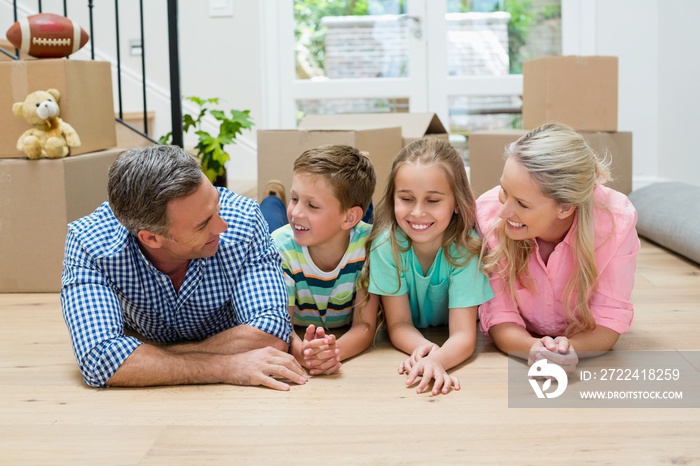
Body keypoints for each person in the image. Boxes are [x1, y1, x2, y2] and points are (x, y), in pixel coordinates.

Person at [60, 145, 307, 390]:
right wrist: (227, 367)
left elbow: (272, 332)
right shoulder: (89, 244)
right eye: (202, 225)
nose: (222, 226)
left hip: (267, 224)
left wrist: (149, 357)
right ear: (151, 238)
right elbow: (100, 360)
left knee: (274, 217)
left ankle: (273, 197)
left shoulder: (243, 218)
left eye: (216, 205)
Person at [477, 122, 640, 373]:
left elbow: (608, 317)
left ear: (565, 207)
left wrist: (571, 350)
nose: (503, 211)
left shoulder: (616, 221)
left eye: (522, 203)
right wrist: (533, 350)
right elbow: (500, 314)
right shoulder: (488, 214)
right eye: (504, 190)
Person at [365, 138, 494, 395]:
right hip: (421, 336)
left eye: (433, 200)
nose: (418, 212)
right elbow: (399, 324)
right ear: (392, 199)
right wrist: (427, 350)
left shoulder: (467, 248)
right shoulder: (385, 246)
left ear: (457, 203)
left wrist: (437, 361)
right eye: (406, 199)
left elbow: (463, 335)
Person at [271, 145, 380, 375]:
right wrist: (302, 352)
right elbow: (282, 327)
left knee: (370, 217)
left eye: (312, 205)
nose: (297, 211)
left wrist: (333, 352)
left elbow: (365, 326)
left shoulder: (371, 248)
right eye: (294, 198)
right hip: (291, 235)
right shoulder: (280, 248)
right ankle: (273, 197)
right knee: (270, 217)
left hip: (348, 226)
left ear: (350, 217)